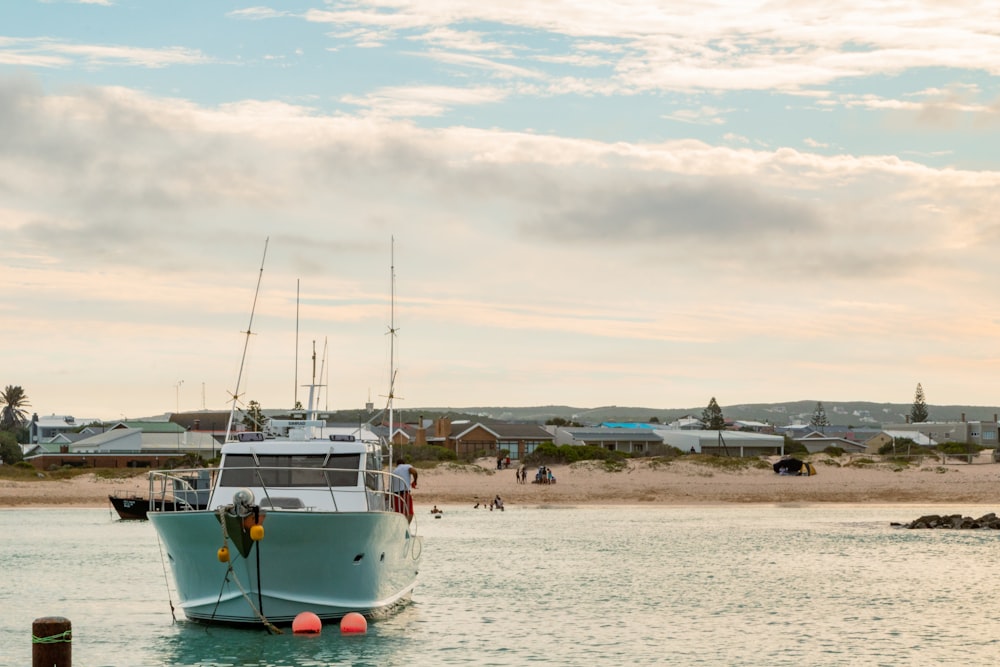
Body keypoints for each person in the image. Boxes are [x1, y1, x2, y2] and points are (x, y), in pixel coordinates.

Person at [391, 456, 418, 522]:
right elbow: (414, 472)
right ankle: (407, 526)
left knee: (399, 513)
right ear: (404, 463)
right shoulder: (407, 466)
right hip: (405, 494)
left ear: (397, 464)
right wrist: (415, 481)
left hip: (395, 496)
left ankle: (400, 526)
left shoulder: (394, 471)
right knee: (409, 512)